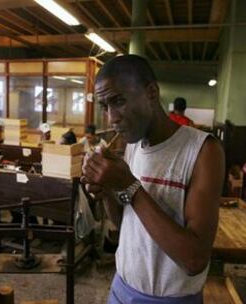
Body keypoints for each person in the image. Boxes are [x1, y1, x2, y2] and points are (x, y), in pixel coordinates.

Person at [81, 55, 225, 303]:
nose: (112, 117)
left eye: (119, 101)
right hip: (121, 287)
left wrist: (129, 185)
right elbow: (126, 224)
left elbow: (194, 260)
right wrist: (107, 192)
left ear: (151, 92)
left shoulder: (202, 150)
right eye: (106, 107)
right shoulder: (134, 145)